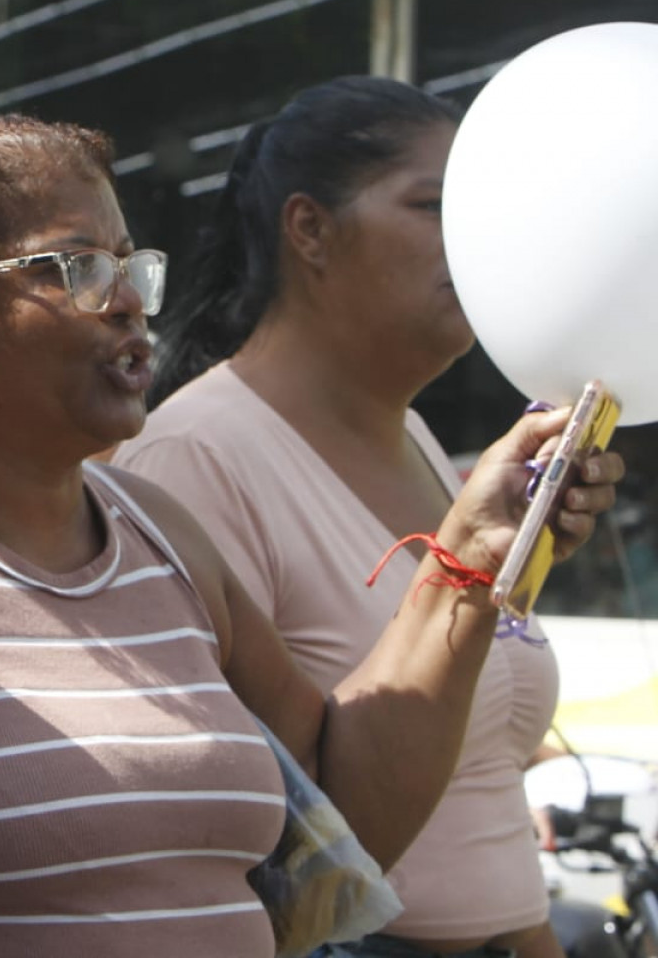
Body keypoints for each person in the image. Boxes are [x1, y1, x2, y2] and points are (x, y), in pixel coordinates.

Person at [0, 114, 622, 958]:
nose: (125, 301)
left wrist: (473, 555)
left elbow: (346, 810)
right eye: (79, 268)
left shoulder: (160, 534)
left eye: (130, 266)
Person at [114, 78, 565, 958]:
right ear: (310, 229)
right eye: (433, 207)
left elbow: (481, 800)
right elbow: (263, 841)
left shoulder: (423, 440)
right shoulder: (193, 459)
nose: (472, 243)